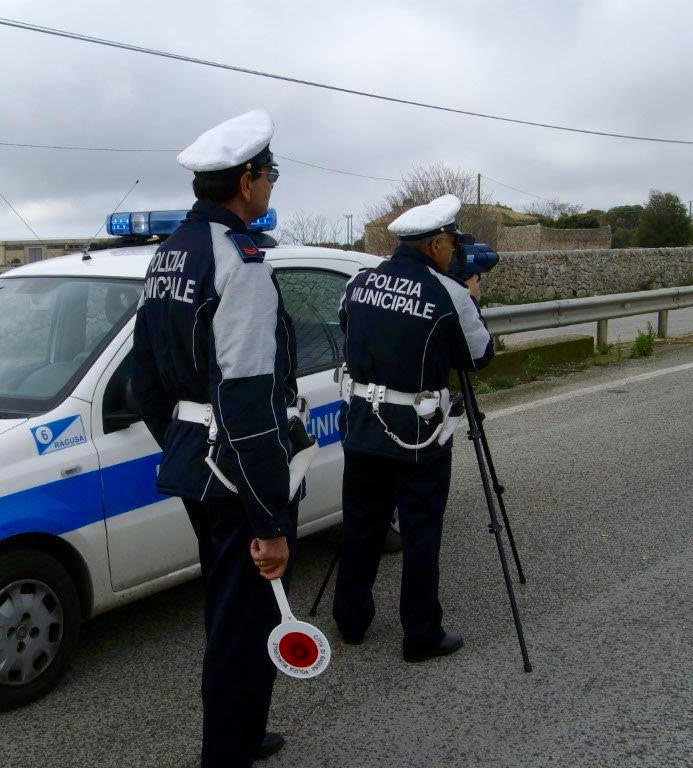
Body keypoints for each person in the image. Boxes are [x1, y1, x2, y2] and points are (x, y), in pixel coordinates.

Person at [132, 109, 299, 767]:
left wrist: (182, 439)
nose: (272, 186)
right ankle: (226, 753)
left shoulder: (170, 252)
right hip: (235, 470)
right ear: (248, 181)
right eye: (271, 175)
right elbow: (250, 400)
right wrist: (272, 519)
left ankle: (246, 730)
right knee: (240, 625)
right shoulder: (242, 260)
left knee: (232, 609)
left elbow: (144, 378)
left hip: (194, 462)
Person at [332, 194, 494, 662]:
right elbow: (479, 357)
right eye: (452, 243)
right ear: (438, 244)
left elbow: (348, 324)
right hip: (419, 434)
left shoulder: (359, 283)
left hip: (362, 424)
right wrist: (473, 302)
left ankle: (351, 621)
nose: (454, 252)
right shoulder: (452, 294)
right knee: (421, 531)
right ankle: (420, 635)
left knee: (362, 523)